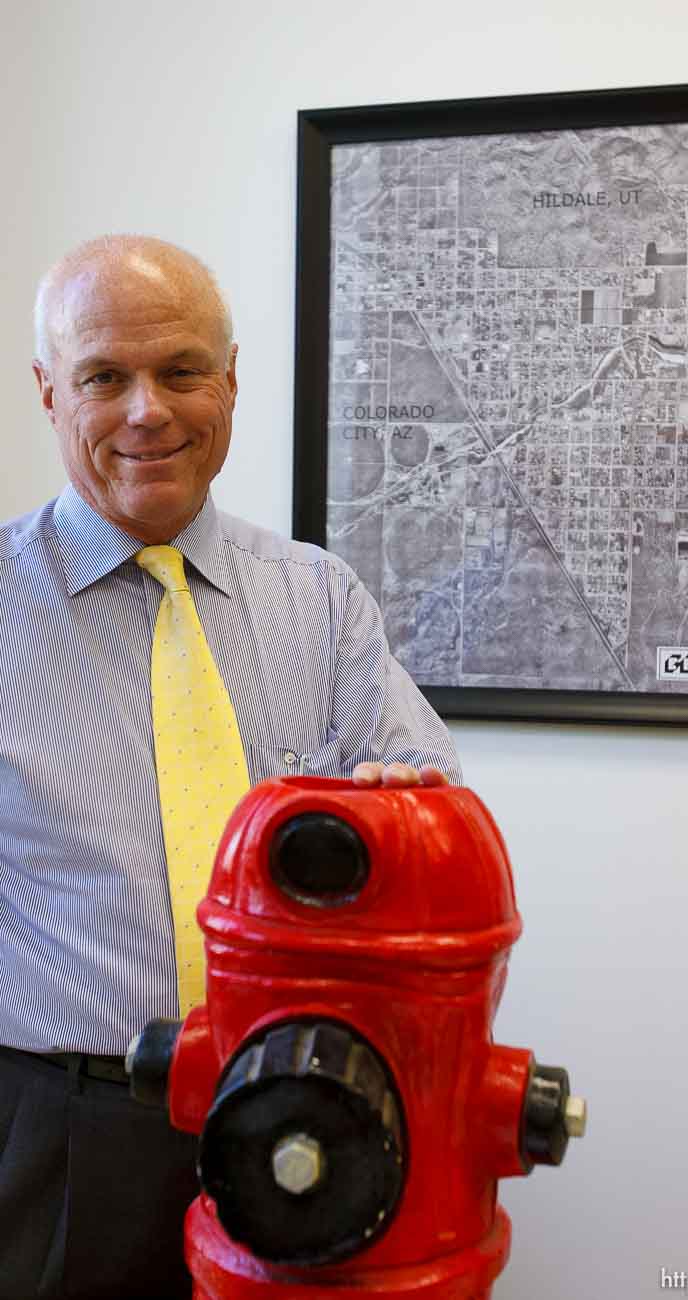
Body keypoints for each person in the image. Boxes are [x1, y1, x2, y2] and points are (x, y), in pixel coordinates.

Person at [0, 235, 461, 1299]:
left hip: (306, 1109)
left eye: (180, 370)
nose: (147, 411)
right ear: (47, 391)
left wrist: (405, 822)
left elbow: (428, 801)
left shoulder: (320, 597)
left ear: (232, 381)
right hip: (66, 1133)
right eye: (104, 376)